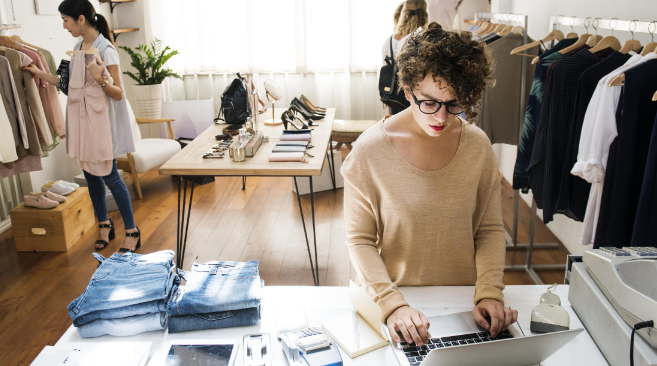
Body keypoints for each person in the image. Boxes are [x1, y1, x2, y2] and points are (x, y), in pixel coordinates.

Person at [344, 22, 516, 348]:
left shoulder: (477, 146)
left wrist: (490, 293)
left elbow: (490, 230)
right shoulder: (368, 152)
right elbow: (359, 241)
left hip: (467, 306)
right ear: (407, 90)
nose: (441, 117)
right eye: (430, 102)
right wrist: (391, 305)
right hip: (398, 304)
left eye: (454, 104)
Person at [23, 0, 140, 253]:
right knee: (90, 175)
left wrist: (100, 80)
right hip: (82, 124)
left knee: (110, 176)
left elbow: (118, 94)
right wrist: (38, 72)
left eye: (66, 20)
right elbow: (67, 85)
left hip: (101, 126)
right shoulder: (77, 47)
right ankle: (104, 224)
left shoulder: (105, 50)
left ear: (81, 19)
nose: (64, 26)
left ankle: (132, 230)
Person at [382, 0, 428, 115]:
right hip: (413, 96)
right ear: (424, 14)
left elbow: (388, 73)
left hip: (394, 97)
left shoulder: (390, 39)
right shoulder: (419, 37)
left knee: (397, 128)